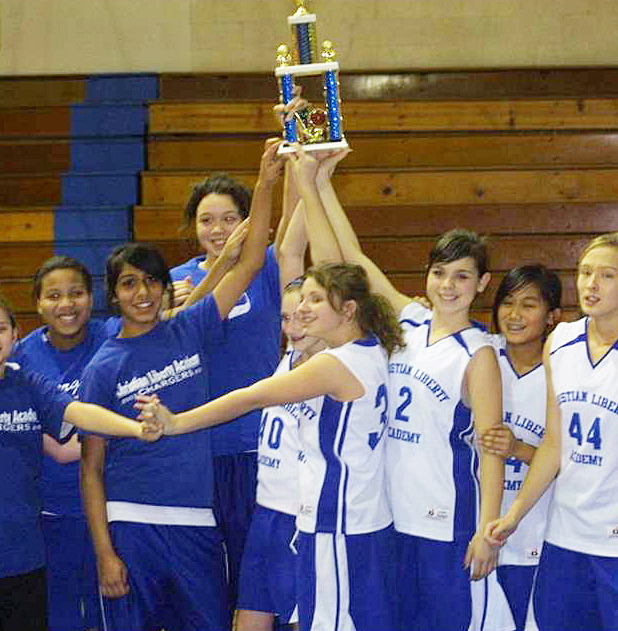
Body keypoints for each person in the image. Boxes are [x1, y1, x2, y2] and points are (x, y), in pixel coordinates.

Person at [298, 144, 513, 630]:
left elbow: (492, 448)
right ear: (427, 276)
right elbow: (352, 257)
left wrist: (488, 531)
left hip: (446, 518)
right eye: (440, 273)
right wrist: (324, 182)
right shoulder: (408, 320)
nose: (448, 285)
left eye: (462, 276)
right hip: (390, 516)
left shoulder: (478, 353)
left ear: (482, 284)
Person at [78, 138, 284, 631]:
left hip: (194, 519)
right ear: (114, 294)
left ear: (166, 286)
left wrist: (266, 182)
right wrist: (105, 552)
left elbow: (252, 261)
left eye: (150, 282)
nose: (142, 293)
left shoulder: (191, 329)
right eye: (129, 284)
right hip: (132, 521)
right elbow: (91, 468)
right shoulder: (103, 364)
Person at [138, 261, 404, 631]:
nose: (303, 309)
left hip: (337, 519)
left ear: (348, 310)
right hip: (351, 515)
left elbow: (250, 397)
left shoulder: (334, 364)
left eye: (315, 299)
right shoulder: (371, 348)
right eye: (302, 300)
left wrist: (177, 422)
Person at [485, 231, 618, 631]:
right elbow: (554, 445)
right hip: (564, 537)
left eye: (606, 276)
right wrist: (514, 516)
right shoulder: (560, 340)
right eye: (586, 272)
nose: (591, 284)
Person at [0, 285, 162, 631]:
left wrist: (135, 428)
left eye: (0, 329)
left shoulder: (28, 385)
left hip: (26, 557)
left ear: (16, 334)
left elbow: (80, 412)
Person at [169, 165, 306, 615]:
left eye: (230, 218)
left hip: (258, 447)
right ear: (193, 226)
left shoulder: (265, 264)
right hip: (199, 450)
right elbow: (164, 345)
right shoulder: (175, 282)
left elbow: (291, 228)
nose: (218, 229)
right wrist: (174, 303)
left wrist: (295, 162)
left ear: (248, 221)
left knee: (261, 575)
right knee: (209, 576)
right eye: (207, 220)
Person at [11, 257, 106, 631]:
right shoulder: (21, 355)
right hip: (50, 511)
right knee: (58, 615)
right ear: (37, 304)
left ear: (91, 297)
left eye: (76, 293)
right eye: (54, 296)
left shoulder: (113, 336)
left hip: (109, 507)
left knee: (109, 612)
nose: (66, 304)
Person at [234, 278, 327, 631]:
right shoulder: (290, 355)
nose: (292, 327)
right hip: (266, 511)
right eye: (285, 319)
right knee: (250, 614)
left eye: (302, 317)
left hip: (297, 516)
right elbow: (289, 249)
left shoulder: (332, 366)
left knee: (300, 619)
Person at [477, 264, 562, 631]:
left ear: (552, 317)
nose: (514, 315)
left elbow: (575, 459)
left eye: (529, 305)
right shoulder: (481, 355)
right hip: (478, 531)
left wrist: (520, 449)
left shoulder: (563, 368)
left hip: (536, 535)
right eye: (507, 303)